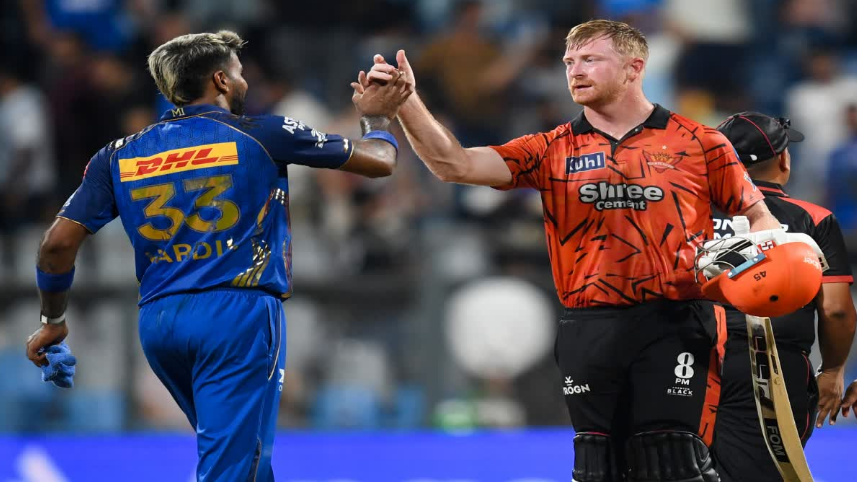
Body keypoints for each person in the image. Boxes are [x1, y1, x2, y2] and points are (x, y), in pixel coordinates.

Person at [360, 20, 782, 482]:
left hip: (675, 322)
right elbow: (453, 164)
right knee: (597, 467)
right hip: (588, 325)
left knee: (672, 461)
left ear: (634, 68)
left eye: (590, 60)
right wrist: (406, 101)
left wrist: (750, 265)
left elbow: (760, 219)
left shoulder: (700, 142)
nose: (575, 71)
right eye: (569, 62)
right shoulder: (551, 148)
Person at [25, 30, 412, 481]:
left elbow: (56, 245)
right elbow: (379, 161)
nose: (245, 82)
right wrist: (378, 118)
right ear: (221, 80)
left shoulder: (118, 155)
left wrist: (52, 321)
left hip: (159, 322)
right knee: (232, 468)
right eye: (239, 72)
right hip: (235, 315)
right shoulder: (262, 133)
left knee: (245, 460)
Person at [711, 112, 856, 482]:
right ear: (784, 159)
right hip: (771, 368)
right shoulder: (814, 218)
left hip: (687, 360)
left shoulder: (686, 213)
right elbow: (836, 310)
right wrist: (833, 370)